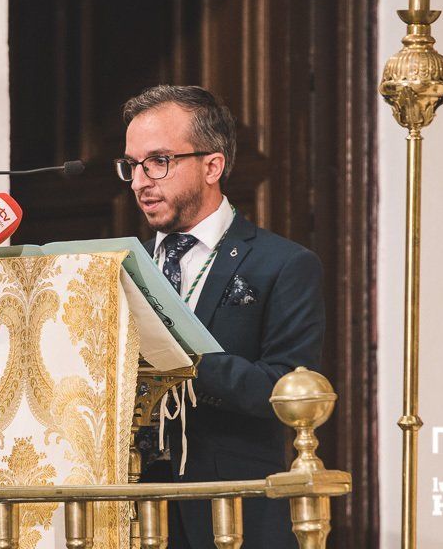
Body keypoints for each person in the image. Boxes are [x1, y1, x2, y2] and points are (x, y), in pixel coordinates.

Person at [116, 85, 325, 549]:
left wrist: (186, 357)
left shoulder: (282, 265)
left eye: (158, 161)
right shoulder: (119, 268)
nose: (139, 181)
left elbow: (286, 393)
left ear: (213, 165)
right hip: (134, 509)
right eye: (131, 165)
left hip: (235, 509)